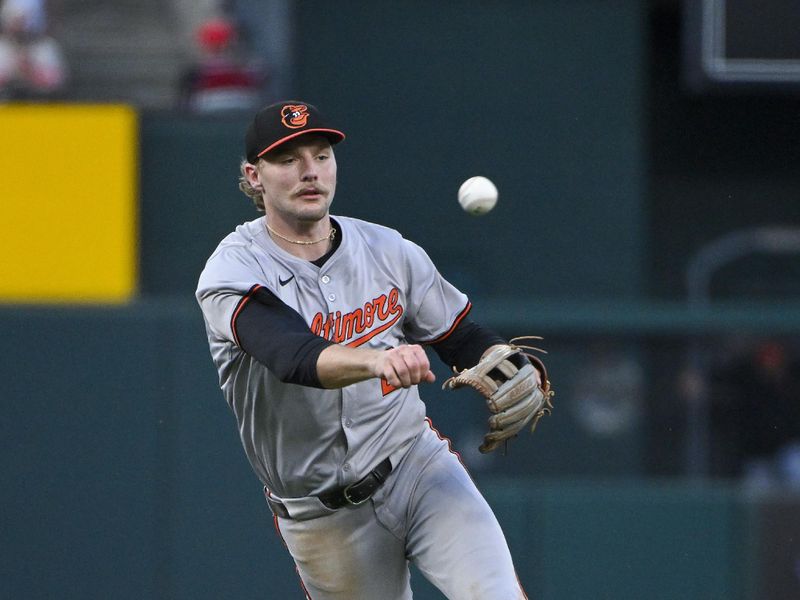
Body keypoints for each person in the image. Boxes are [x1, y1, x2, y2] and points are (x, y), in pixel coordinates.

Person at [196, 100, 542, 599]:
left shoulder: (388, 250)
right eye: (289, 160)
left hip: (418, 469)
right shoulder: (231, 270)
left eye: (320, 155)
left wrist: (507, 365)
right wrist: (376, 359)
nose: (309, 172)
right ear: (254, 175)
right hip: (322, 516)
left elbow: (462, 337)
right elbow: (294, 356)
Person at [0, 0, 66, 100]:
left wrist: (30, 71)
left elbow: (55, 83)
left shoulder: (46, 47)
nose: (19, 28)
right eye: (16, 22)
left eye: (23, 22)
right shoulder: (2, 48)